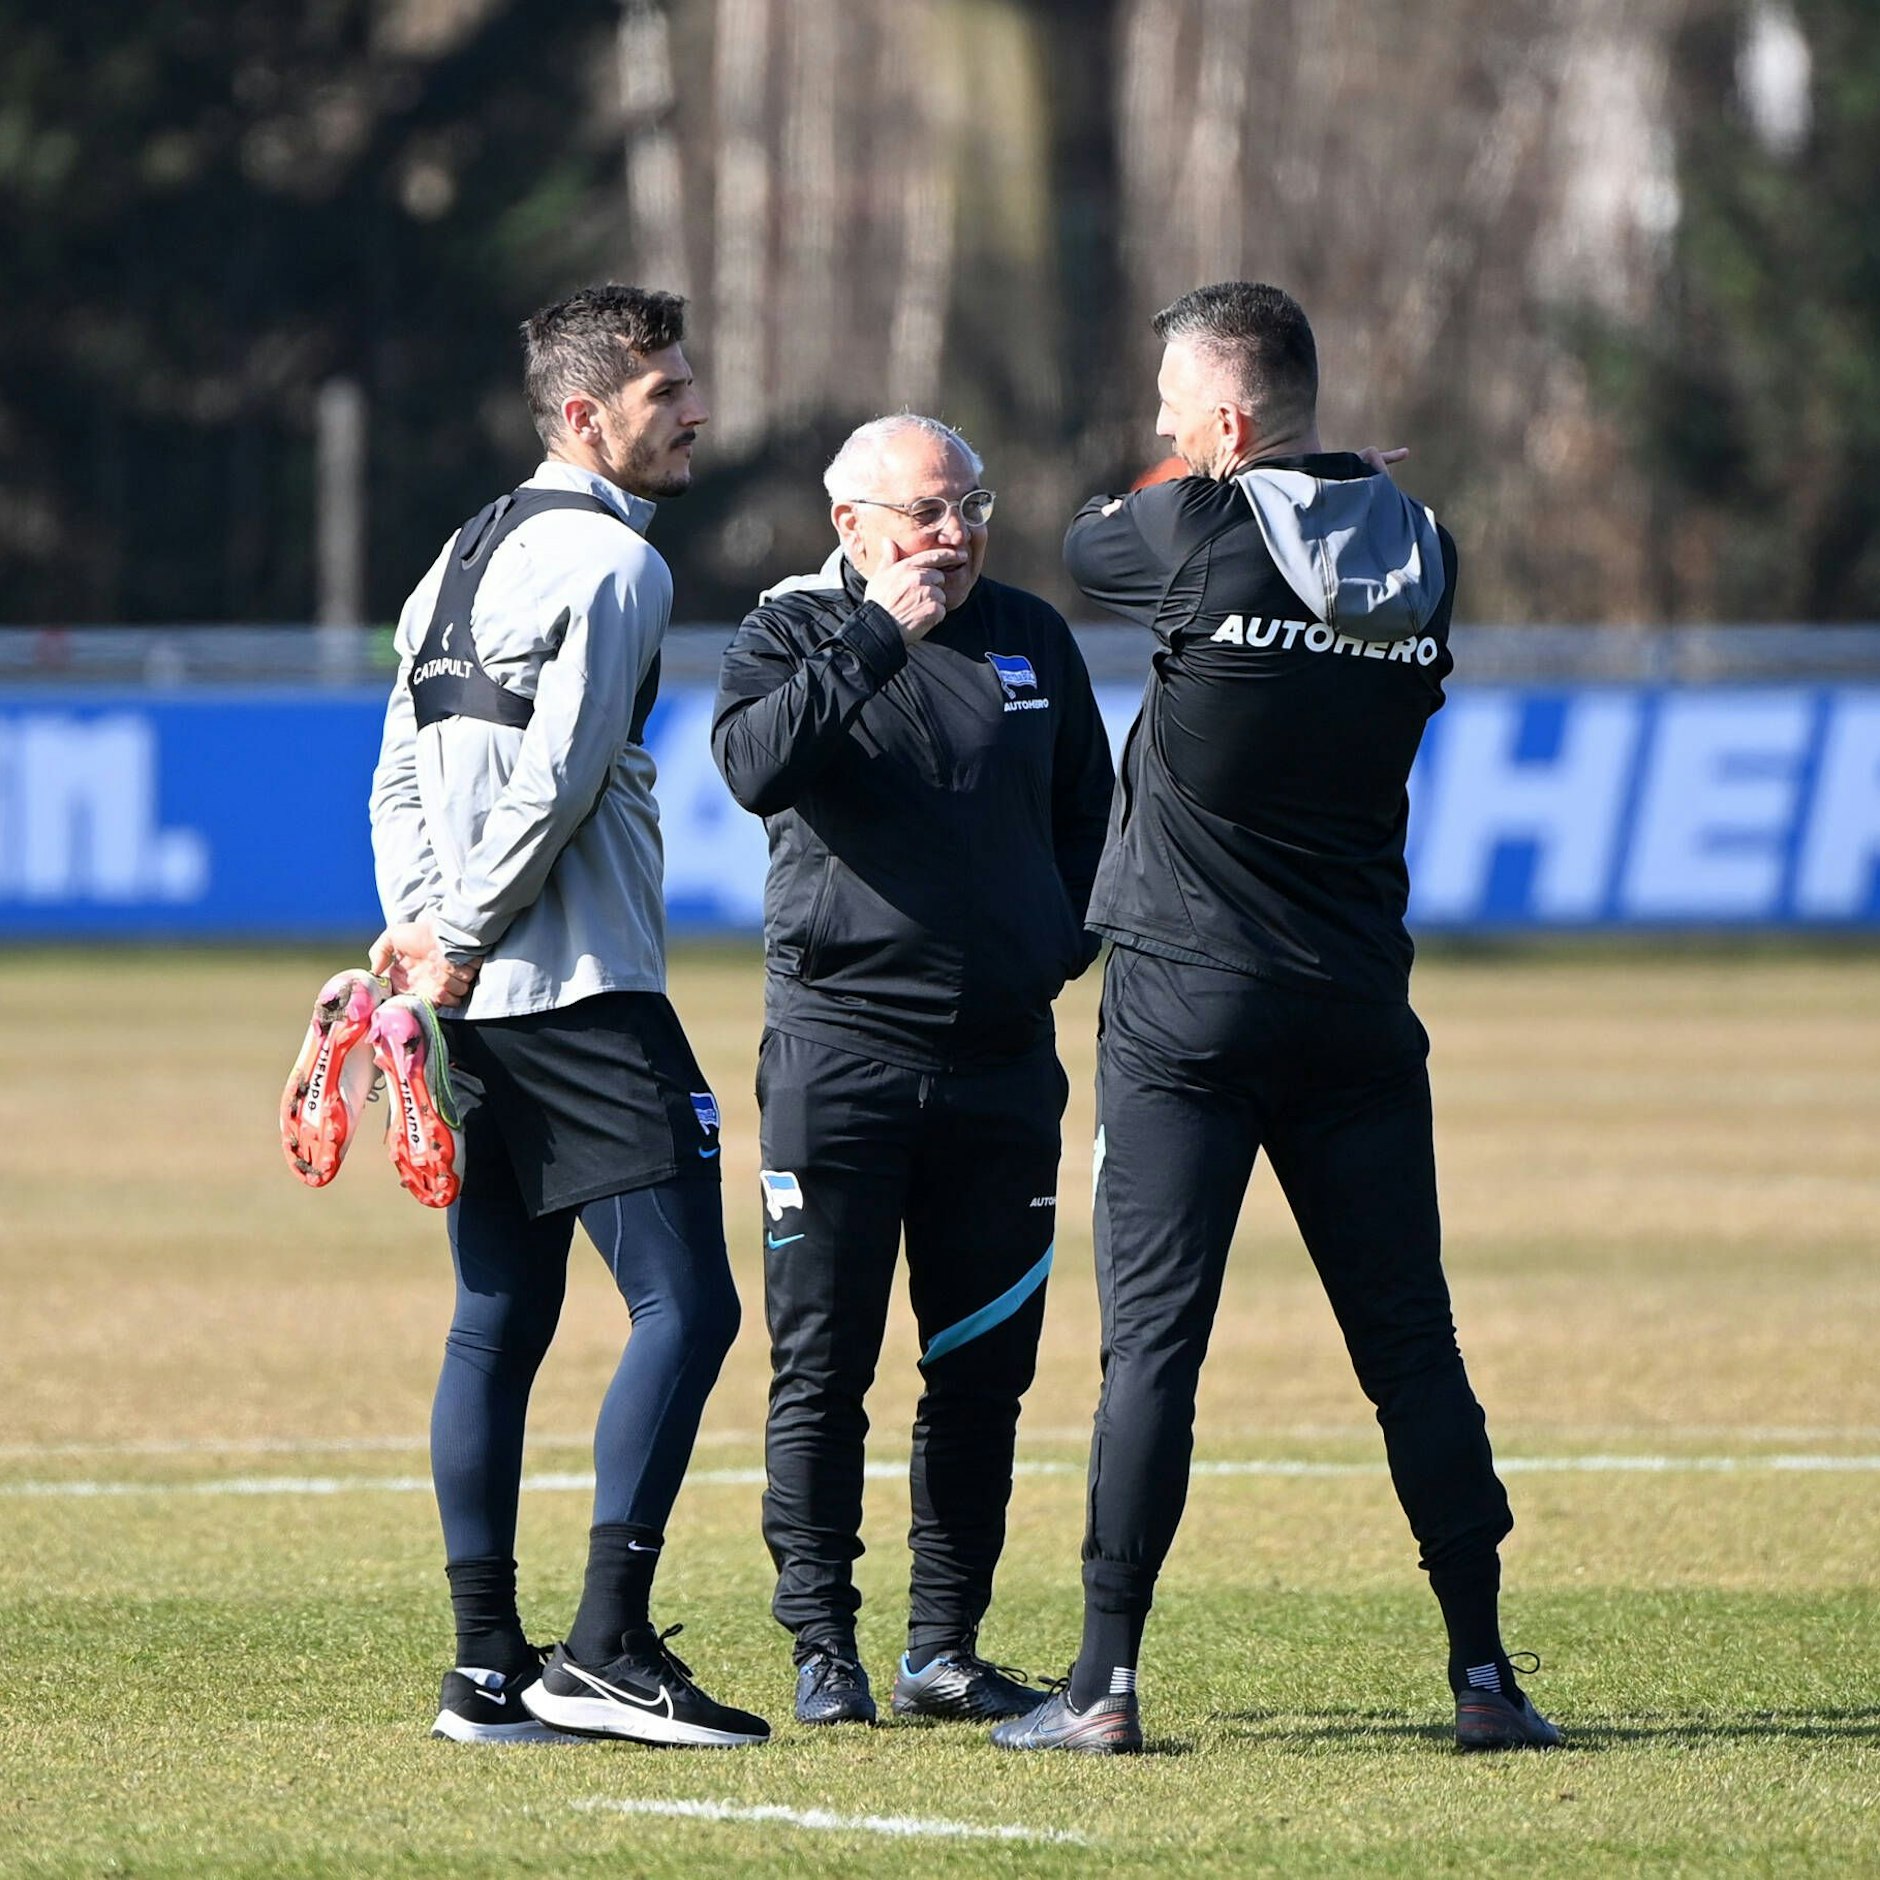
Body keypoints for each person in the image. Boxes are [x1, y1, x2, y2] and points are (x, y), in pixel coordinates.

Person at [992, 282, 1559, 1756]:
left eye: (1178, 411)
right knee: (1412, 1347)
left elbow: (1082, 541)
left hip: (1185, 1006)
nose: (1160, 433)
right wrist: (1336, 475)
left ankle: (1104, 1683)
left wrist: (1213, 476)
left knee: (1156, 1352)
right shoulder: (1427, 548)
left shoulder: (1189, 524)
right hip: (1359, 1006)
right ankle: (1486, 1675)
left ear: (1229, 424)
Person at [361, 283, 768, 1748]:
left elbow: (398, 770)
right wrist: (461, 936)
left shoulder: (464, 551)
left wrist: (419, 930)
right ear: (587, 416)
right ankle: (605, 1646)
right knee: (693, 1305)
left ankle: (486, 1666)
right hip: (578, 991)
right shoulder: (611, 564)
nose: (696, 410)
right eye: (667, 393)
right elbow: (568, 775)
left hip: (470, 998)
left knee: (499, 1313)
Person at [712, 414, 1115, 1727]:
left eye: (973, 504)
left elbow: (1089, 824)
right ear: (852, 526)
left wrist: (1048, 946)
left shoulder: (1032, 637)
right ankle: (821, 1645)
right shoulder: (788, 635)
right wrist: (879, 632)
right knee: (822, 1369)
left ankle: (943, 1647)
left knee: (983, 1372)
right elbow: (755, 765)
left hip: (1002, 1069)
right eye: (928, 511)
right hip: (839, 1062)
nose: (957, 532)